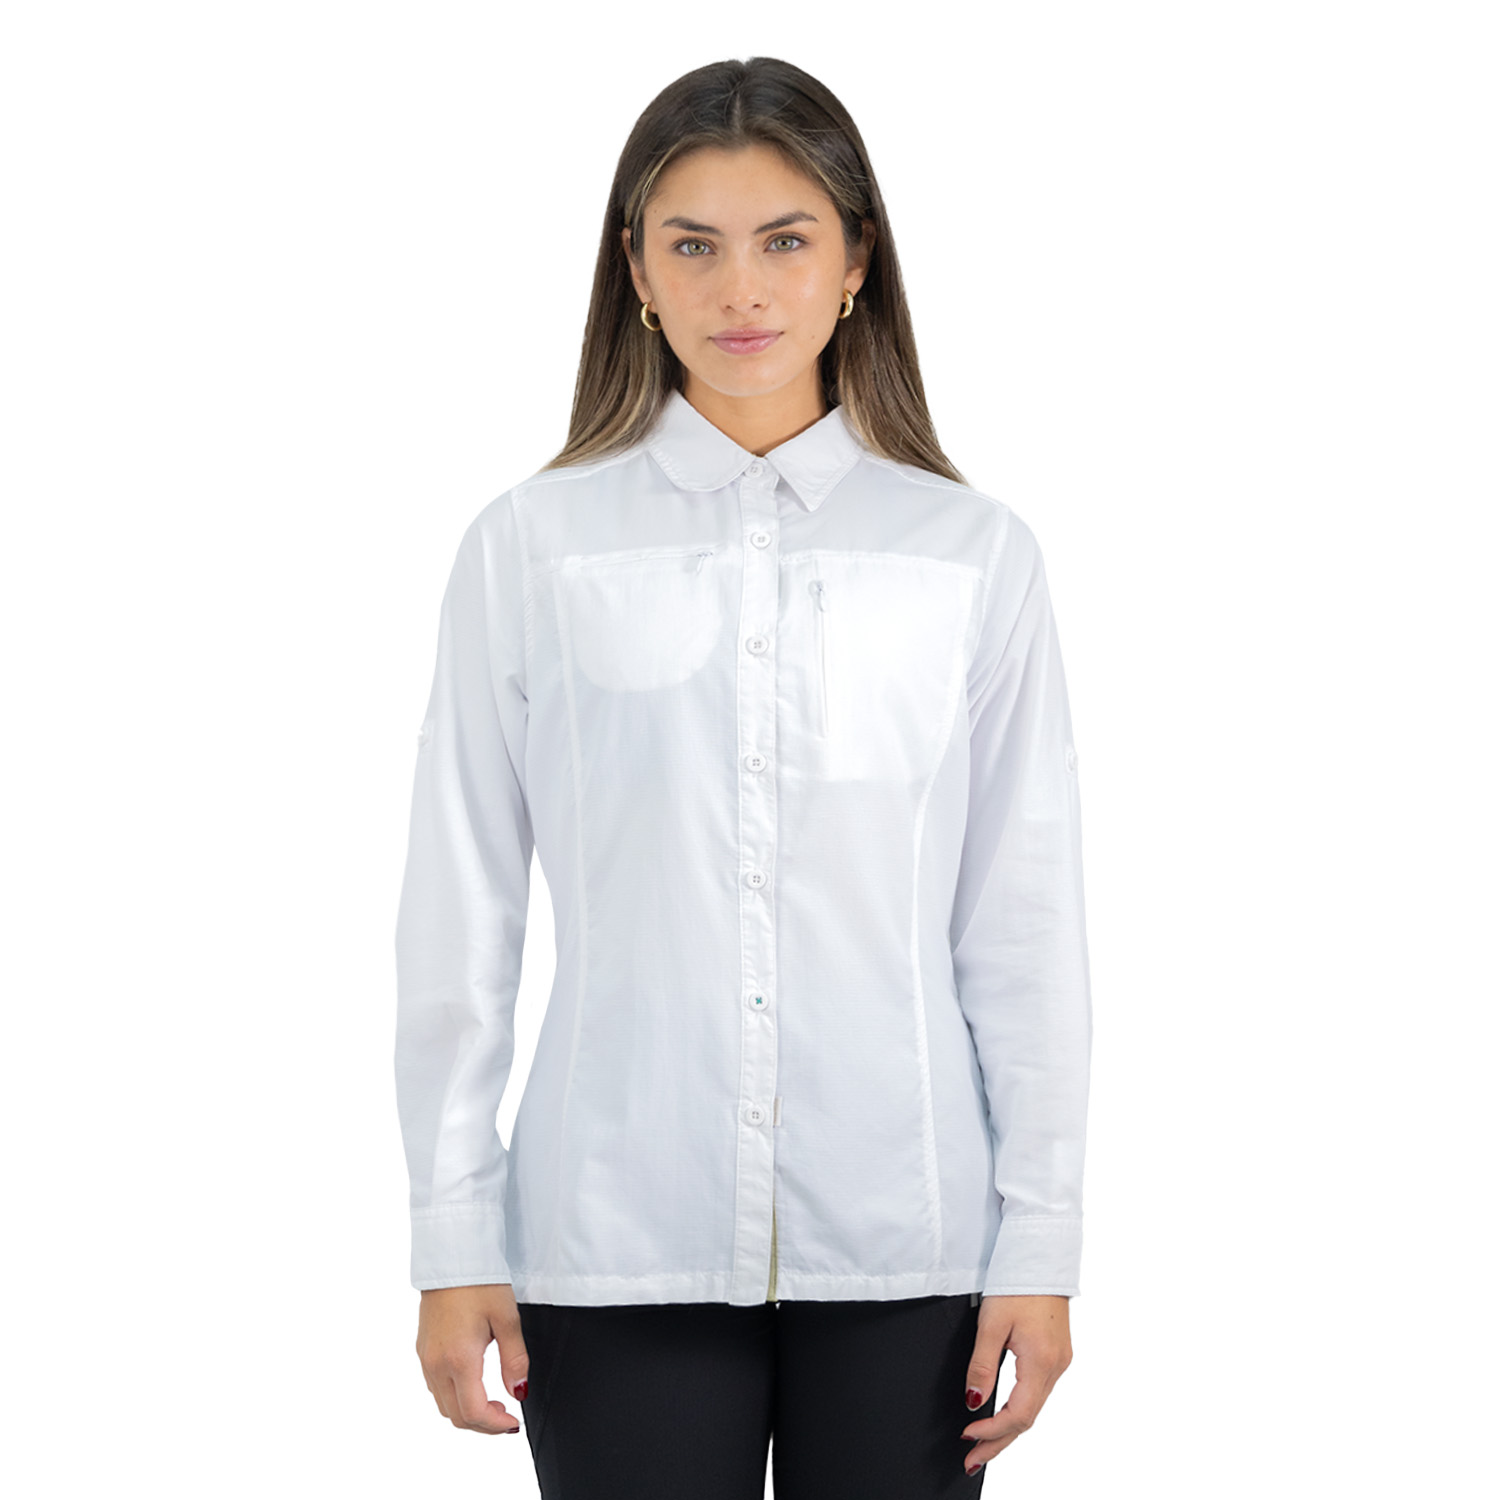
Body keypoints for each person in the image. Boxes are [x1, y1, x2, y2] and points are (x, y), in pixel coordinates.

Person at [394, 55, 1093, 1500]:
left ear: (857, 262)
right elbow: (461, 912)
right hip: (612, 1234)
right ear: (636, 271)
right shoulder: (531, 549)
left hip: (909, 1239)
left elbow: (1021, 927)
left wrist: (1042, 1240)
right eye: (693, 244)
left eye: (785, 240)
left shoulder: (973, 558)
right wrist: (452, 1236)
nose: (742, 291)